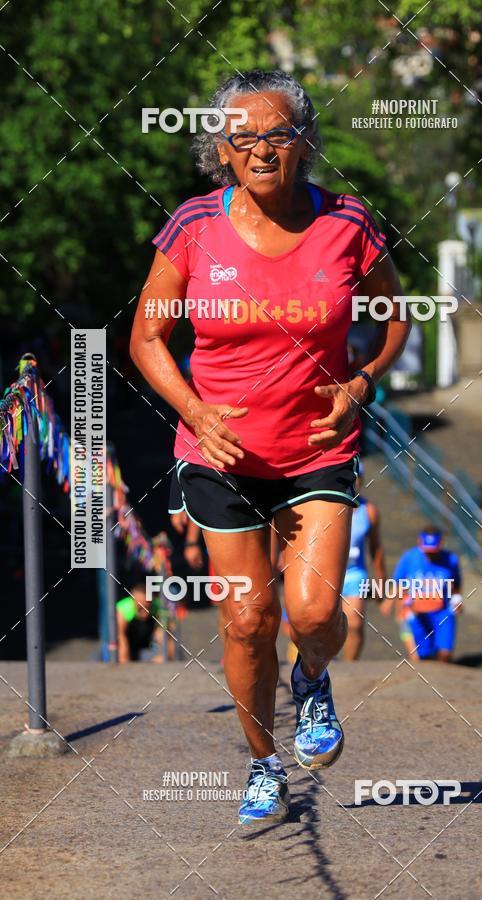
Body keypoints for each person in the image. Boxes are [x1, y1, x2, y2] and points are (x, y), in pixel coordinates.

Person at [130, 69, 410, 825]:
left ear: (305, 144)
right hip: (220, 456)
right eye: (243, 135)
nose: (261, 148)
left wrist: (366, 380)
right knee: (247, 620)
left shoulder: (348, 223)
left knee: (317, 614)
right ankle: (263, 765)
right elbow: (146, 337)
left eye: (278, 133)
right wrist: (194, 407)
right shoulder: (193, 228)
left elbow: (393, 317)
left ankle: (312, 676)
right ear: (221, 149)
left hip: (316, 447)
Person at [393, 526, 462, 662]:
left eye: (433, 551)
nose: (429, 554)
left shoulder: (450, 560)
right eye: (427, 550)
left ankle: (442, 679)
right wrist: (398, 609)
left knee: (445, 653)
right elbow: (399, 584)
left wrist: (457, 598)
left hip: (442, 611)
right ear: (419, 543)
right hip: (417, 612)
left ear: (441, 544)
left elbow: (457, 584)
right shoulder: (410, 558)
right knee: (422, 656)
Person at [341, 463, 385, 661]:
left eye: (357, 476)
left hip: (354, 574)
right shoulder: (327, 508)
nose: (354, 480)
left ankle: (350, 667)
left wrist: (381, 582)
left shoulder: (369, 511)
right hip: (324, 573)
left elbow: (376, 549)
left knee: (355, 624)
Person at [116, 581, 172, 662]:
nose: (144, 610)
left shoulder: (158, 606)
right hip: (121, 649)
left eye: (148, 605)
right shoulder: (124, 608)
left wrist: (166, 658)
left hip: (144, 650)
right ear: (133, 601)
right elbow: (120, 637)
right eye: (140, 607)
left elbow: (167, 637)